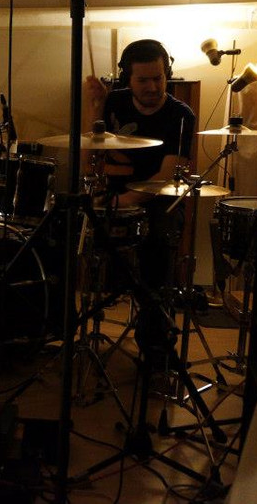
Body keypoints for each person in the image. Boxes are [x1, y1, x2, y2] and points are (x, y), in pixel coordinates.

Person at [83, 39, 196, 361]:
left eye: (158, 78)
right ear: (127, 79)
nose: (152, 87)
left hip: (158, 201)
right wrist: (95, 108)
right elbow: (88, 160)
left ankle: (156, 349)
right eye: (143, 80)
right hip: (113, 194)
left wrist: (123, 201)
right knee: (61, 227)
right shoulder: (114, 102)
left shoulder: (181, 115)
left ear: (167, 74)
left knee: (158, 245)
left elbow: (165, 177)